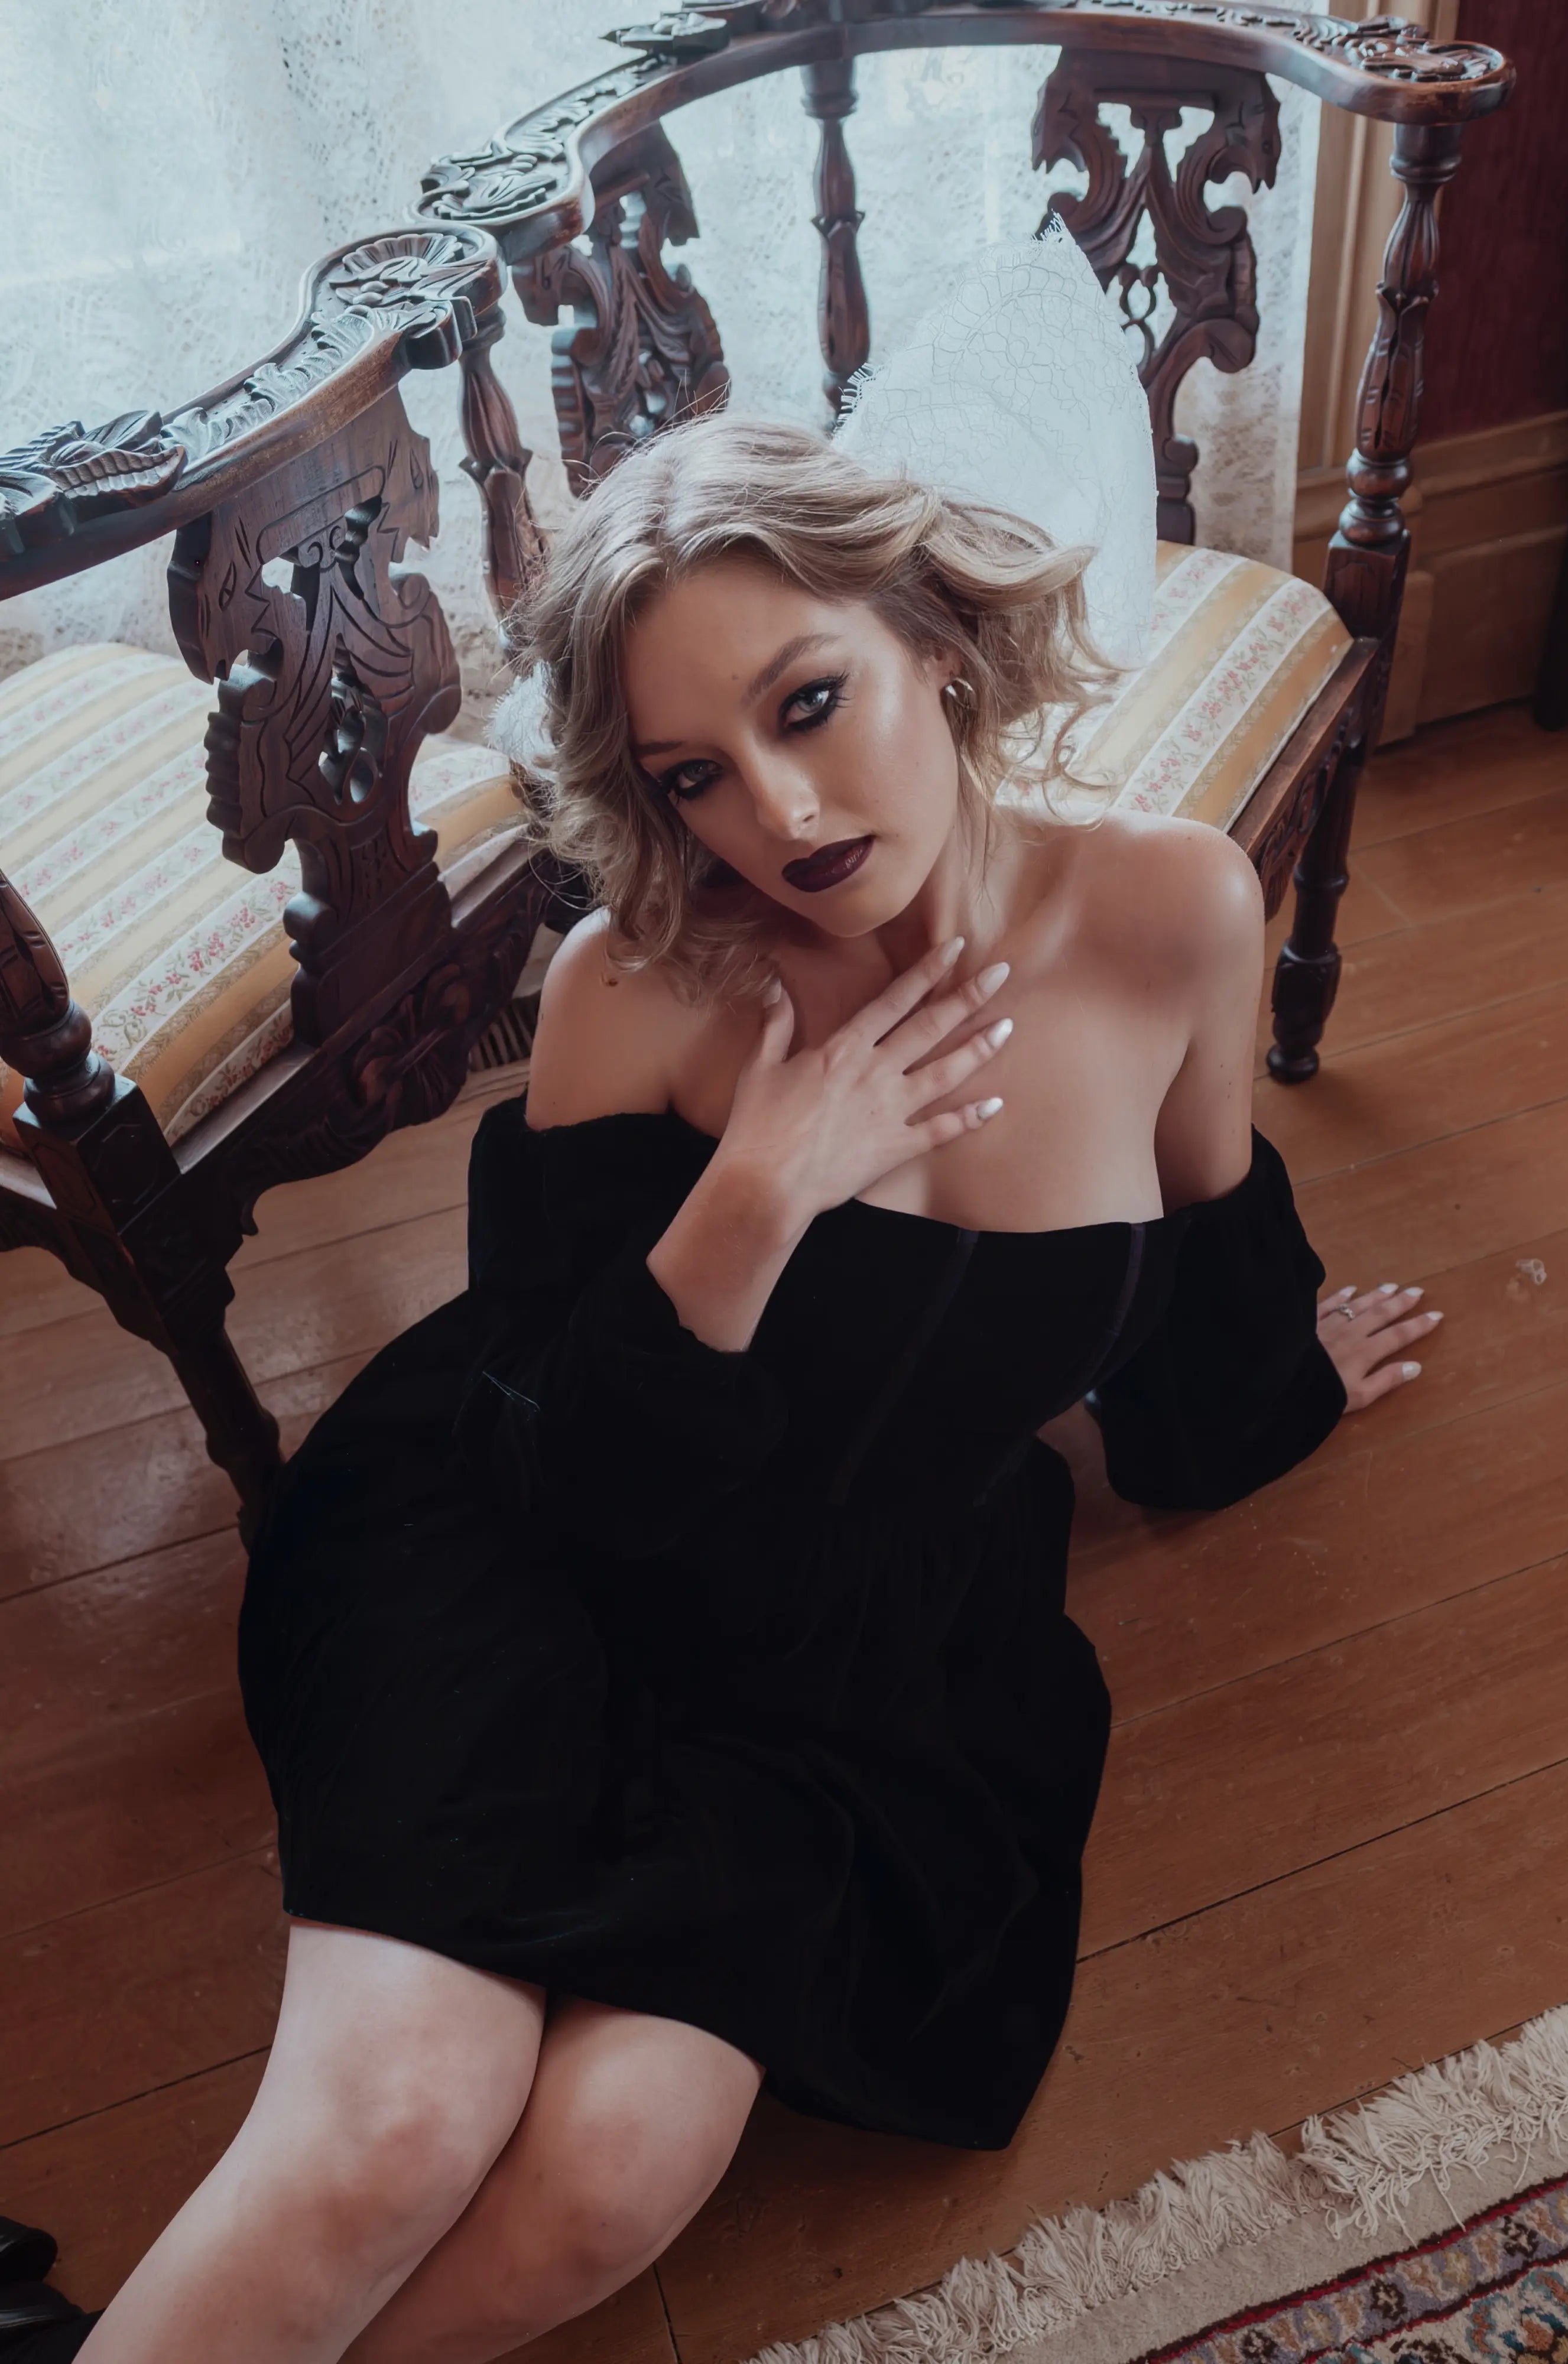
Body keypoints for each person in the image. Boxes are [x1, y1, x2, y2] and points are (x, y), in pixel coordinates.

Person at [36, 413, 1440, 2364]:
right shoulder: (640, 986)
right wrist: (760, 1195)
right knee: (392, 2132)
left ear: (938, 638)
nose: (778, 816)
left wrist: (1277, 1385)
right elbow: (558, 1457)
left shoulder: (1173, 912)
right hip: (519, 1542)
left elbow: (1204, 1223)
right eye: (697, 772)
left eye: (810, 701)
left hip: (851, 1635)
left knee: (612, 2175)